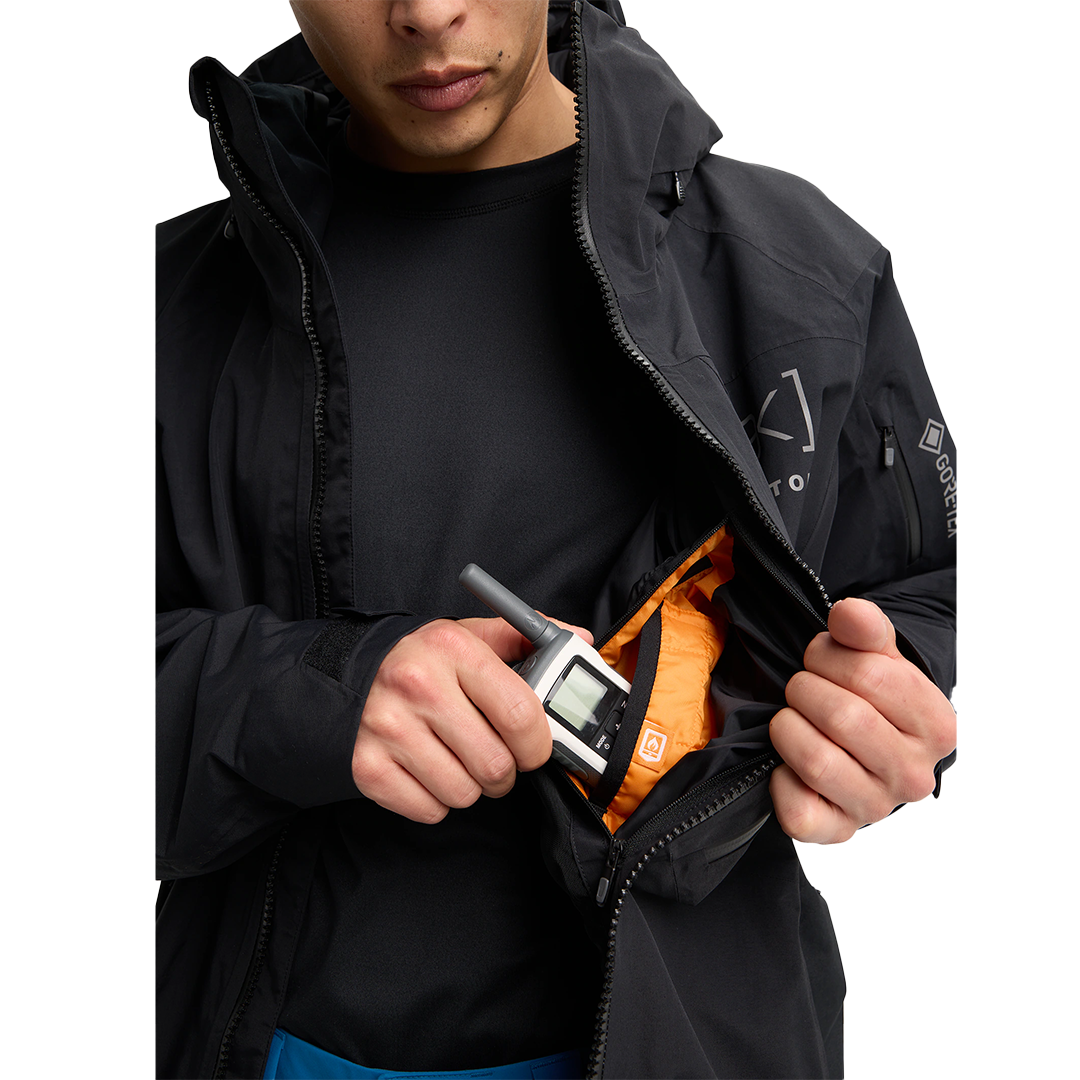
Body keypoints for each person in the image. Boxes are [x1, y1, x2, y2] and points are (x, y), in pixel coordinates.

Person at [156, 1, 957, 1077]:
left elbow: (933, 593)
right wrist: (311, 696)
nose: (426, 11)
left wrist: (889, 707)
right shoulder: (163, 308)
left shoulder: (803, 276)